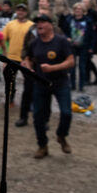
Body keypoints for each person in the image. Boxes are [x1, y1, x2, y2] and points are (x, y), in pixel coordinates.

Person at [21, 14, 74, 158]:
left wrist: (53, 68)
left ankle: (61, 136)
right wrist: (29, 66)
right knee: (38, 116)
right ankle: (42, 146)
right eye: (37, 22)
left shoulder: (61, 41)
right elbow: (28, 57)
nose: (39, 25)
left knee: (66, 113)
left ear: (51, 25)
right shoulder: (35, 43)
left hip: (60, 82)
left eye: (43, 22)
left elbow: (70, 61)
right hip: (40, 83)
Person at [3, 3, 35, 127]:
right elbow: (3, 40)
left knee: (29, 82)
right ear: (16, 12)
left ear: (26, 12)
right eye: (19, 10)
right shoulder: (10, 24)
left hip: (25, 59)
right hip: (11, 57)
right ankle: (10, 99)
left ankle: (29, 103)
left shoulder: (31, 25)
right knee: (10, 80)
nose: (21, 12)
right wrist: (4, 57)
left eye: (23, 10)